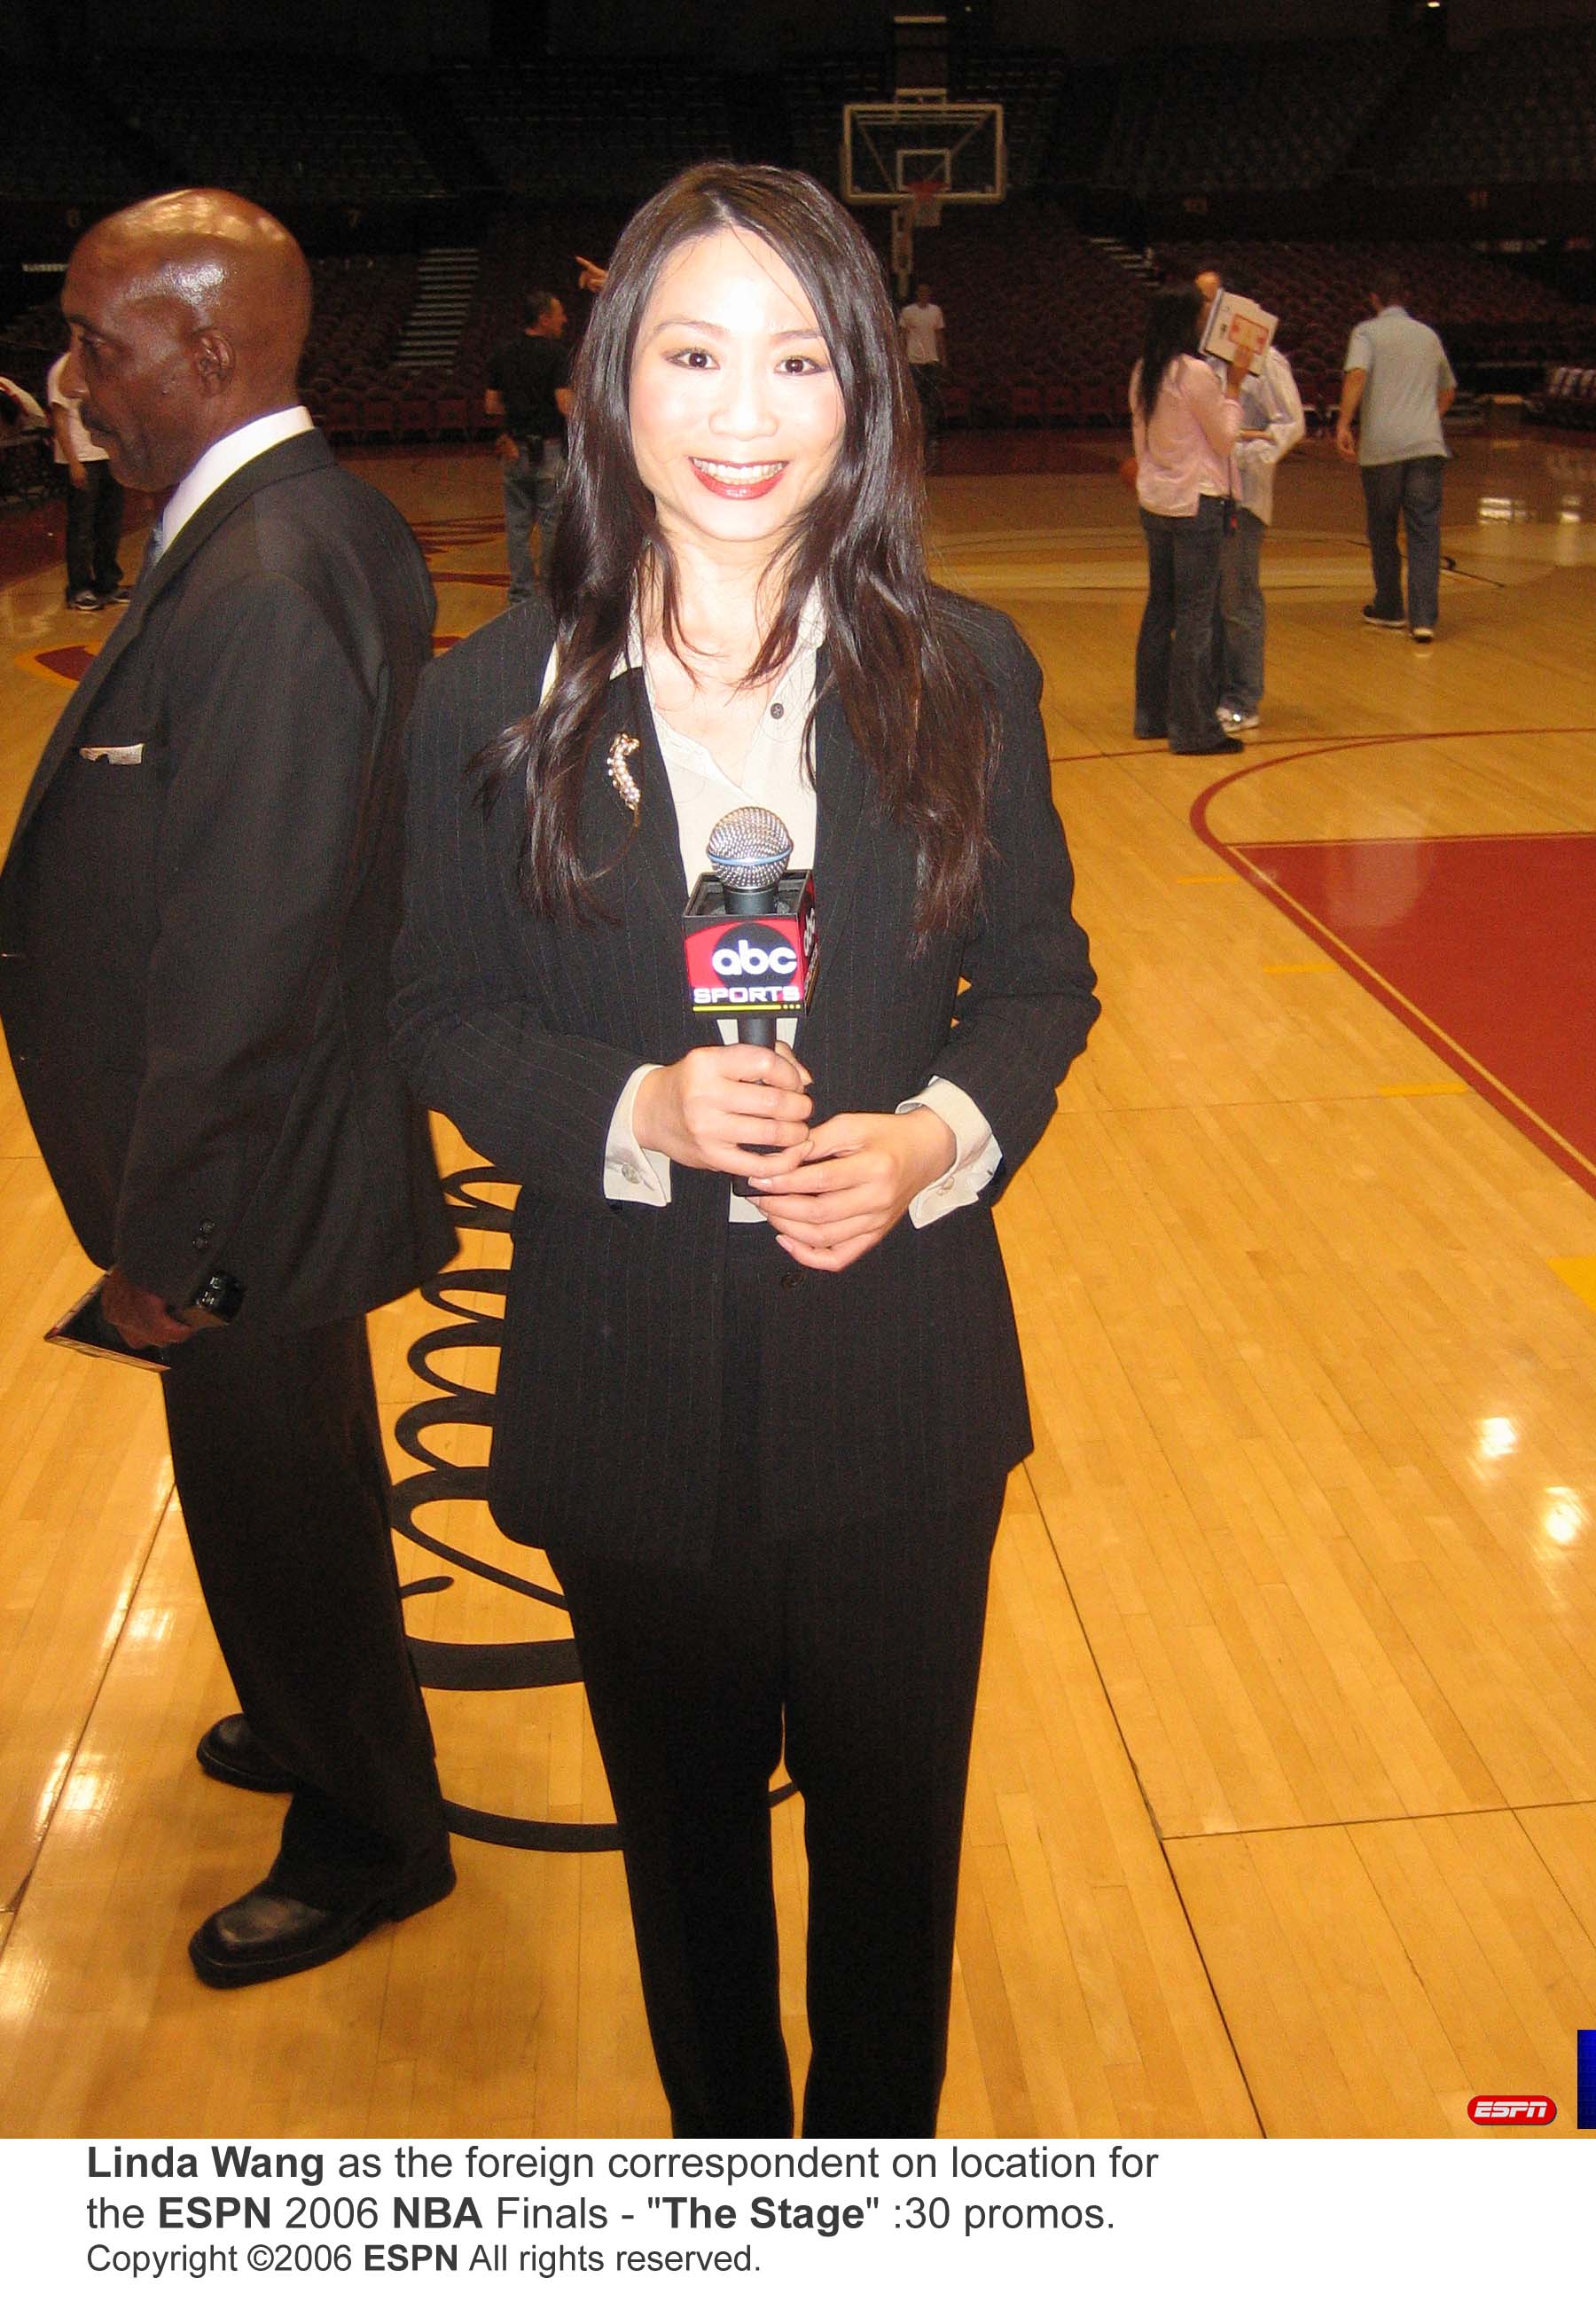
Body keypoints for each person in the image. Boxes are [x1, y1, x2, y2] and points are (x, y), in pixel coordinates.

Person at [391, 161, 1098, 2138]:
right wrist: (631, 1109)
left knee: (897, 1861)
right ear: (612, 384)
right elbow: (436, 1012)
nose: (743, 412)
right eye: (694, 354)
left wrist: (934, 1141)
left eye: (801, 359)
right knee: (686, 1871)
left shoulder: (967, 672)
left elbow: (1042, 984)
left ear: (865, 396)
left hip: (900, 1389)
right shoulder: (486, 702)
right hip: (623, 1393)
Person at [0, 190, 456, 1988]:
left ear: (204, 349)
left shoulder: (264, 577)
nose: (72, 376)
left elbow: (242, 955)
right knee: (282, 1485)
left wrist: (168, 1238)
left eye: (100, 341)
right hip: (259, 1151)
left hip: (245, 1174)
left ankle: (369, 1834)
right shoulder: (284, 521)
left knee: (285, 1505)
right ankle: (301, 1712)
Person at [1130, 284, 1250, 754]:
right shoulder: (1196, 373)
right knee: (1196, 617)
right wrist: (1236, 387)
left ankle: (1151, 715)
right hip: (1197, 502)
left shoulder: (1144, 372)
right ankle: (1193, 728)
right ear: (1186, 322)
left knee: (1160, 609)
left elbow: (1141, 444)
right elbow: (1224, 439)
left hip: (1157, 501)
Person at [1194, 268, 1305, 735]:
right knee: (1211, 598)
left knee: (1238, 598)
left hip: (1244, 499)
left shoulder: (1268, 363)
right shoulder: (1197, 366)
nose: (1202, 309)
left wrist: (1244, 452)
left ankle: (1244, 696)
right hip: (1203, 495)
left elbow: (1291, 423)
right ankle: (1215, 689)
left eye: (1209, 299)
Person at [1335, 270, 1455, 645]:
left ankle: (1389, 606)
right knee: (1424, 531)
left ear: (1374, 298)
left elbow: (1356, 375)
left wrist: (1343, 422)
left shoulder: (1366, 333)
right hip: (1426, 445)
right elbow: (1448, 390)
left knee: (1383, 528)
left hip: (1382, 448)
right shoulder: (1428, 335)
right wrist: (1424, 420)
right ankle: (1423, 620)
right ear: (1406, 298)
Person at [486, 289, 575, 606]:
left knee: (517, 526)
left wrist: (512, 420)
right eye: (560, 313)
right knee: (552, 524)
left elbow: (491, 404)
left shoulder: (502, 352)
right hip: (549, 450)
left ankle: (521, 595)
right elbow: (564, 404)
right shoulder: (556, 354)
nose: (565, 320)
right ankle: (549, 594)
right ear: (544, 318)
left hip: (513, 449)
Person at [47, 344, 128, 610]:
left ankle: (107, 581)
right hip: (83, 457)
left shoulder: (102, 370)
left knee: (110, 523)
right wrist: (73, 462)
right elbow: (59, 419)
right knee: (82, 526)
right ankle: (79, 587)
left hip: (107, 455)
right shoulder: (63, 371)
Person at [897, 278, 945, 462]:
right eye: (921, 292)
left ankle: (931, 437)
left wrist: (942, 358)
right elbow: (901, 336)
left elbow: (939, 336)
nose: (924, 295)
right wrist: (901, 360)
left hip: (930, 361)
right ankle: (914, 437)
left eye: (927, 291)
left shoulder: (936, 311)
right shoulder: (908, 312)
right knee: (914, 401)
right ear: (917, 294)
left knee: (932, 401)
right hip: (913, 362)